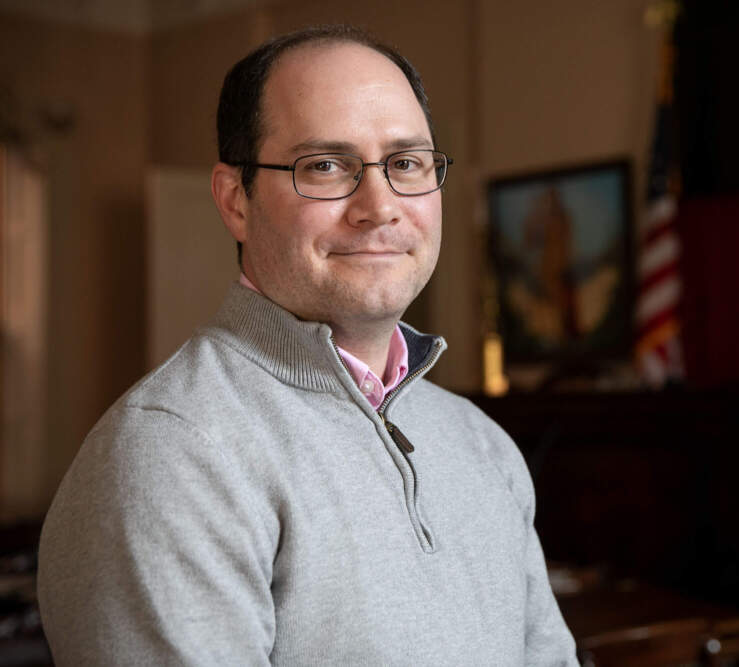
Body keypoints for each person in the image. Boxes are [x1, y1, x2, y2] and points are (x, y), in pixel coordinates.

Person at [37, 25, 578, 665]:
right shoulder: (172, 454)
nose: (379, 206)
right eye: (325, 165)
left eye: (406, 163)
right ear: (235, 200)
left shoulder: (483, 444)